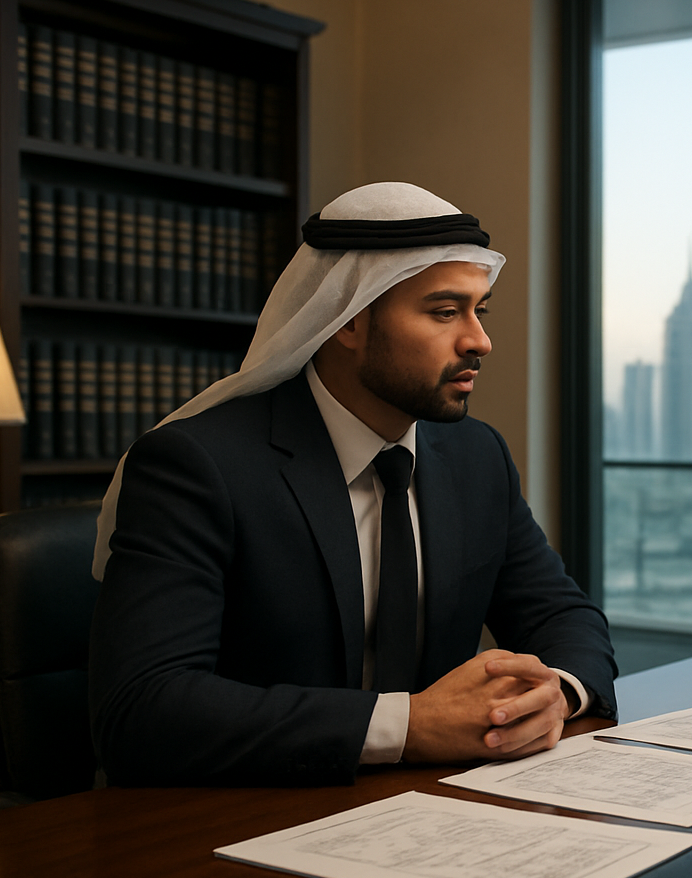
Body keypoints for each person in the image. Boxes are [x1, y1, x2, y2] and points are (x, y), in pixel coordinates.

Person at [89, 182, 617, 787]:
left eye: (480, 311)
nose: (479, 340)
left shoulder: (477, 456)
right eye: (445, 312)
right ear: (350, 322)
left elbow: (563, 616)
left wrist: (556, 695)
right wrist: (410, 725)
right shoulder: (196, 466)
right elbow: (143, 709)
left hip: (433, 808)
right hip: (251, 812)